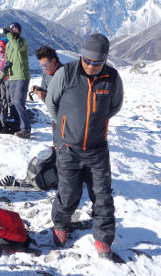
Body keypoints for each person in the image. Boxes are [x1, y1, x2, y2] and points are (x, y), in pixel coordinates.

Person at [44, 33, 124, 260]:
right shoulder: (66, 73)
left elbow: (115, 106)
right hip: (68, 148)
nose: (90, 66)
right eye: (87, 60)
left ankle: (103, 239)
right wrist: (65, 127)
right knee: (68, 193)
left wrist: (96, 122)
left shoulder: (112, 78)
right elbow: (52, 103)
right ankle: (60, 225)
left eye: (97, 63)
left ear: (105, 60)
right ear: (81, 55)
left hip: (97, 150)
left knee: (103, 196)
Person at [0, 22, 31, 139]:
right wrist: (0, 77)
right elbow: (8, 63)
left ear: (19, 31)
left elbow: (17, 47)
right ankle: (18, 126)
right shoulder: (9, 46)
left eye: (14, 29)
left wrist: (9, 34)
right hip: (12, 77)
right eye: (10, 28)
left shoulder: (22, 42)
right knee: (12, 101)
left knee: (18, 102)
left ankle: (26, 129)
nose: (11, 30)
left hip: (22, 76)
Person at [0, 39, 11, 112]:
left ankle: (11, 113)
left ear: (4, 46)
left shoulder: (8, 55)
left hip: (8, 78)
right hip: (1, 79)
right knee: (3, 97)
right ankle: (4, 112)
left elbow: (8, 67)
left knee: (9, 97)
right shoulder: (0, 56)